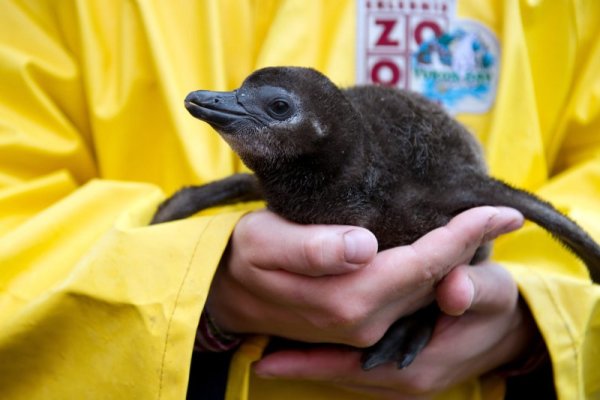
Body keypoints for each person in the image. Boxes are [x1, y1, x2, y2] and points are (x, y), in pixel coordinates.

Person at [0, 1, 598, 399]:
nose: (222, 105)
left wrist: (534, 316)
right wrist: (194, 274)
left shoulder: (426, 192)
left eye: (278, 112)